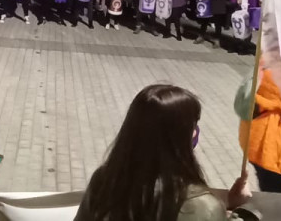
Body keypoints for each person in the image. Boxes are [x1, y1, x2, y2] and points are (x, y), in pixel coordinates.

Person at [76, 84, 251, 221]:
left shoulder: (105, 180)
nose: (196, 131)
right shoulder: (201, 206)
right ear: (179, 136)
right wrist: (236, 210)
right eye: (193, 125)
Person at [236, 66, 281, 194]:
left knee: (269, 187)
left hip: (256, 138)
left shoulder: (266, 60)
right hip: (274, 145)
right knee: (278, 194)